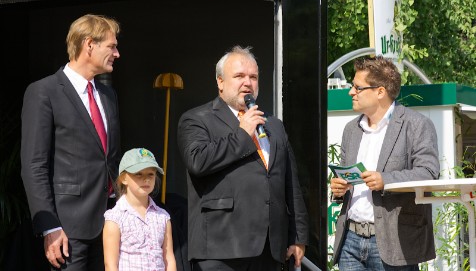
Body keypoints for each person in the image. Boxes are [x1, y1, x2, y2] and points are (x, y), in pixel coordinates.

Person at [177, 45, 309, 271]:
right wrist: (242, 133)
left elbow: (290, 184)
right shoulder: (197, 119)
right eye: (239, 76)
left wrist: (298, 236)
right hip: (221, 247)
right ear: (220, 82)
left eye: (253, 77)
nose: (247, 82)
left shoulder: (273, 125)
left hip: (269, 249)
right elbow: (198, 162)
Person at [21, 14, 122, 271]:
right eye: (111, 46)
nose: (117, 53)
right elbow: (34, 165)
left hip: (110, 224)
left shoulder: (108, 95)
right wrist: (49, 226)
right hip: (67, 229)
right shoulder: (44, 91)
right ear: (89, 45)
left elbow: (110, 158)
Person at [330, 56, 440, 270]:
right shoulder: (351, 130)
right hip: (349, 241)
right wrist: (338, 189)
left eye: (358, 87)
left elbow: (428, 172)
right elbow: (345, 181)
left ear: (380, 92)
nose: (351, 92)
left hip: (394, 241)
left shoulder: (416, 125)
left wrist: (385, 180)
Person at [103, 148, 177, 271]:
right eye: (138, 174)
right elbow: (110, 265)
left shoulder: (163, 217)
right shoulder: (115, 218)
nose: (146, 179)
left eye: (151, 174)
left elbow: (168, 258)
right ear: (123, 179)